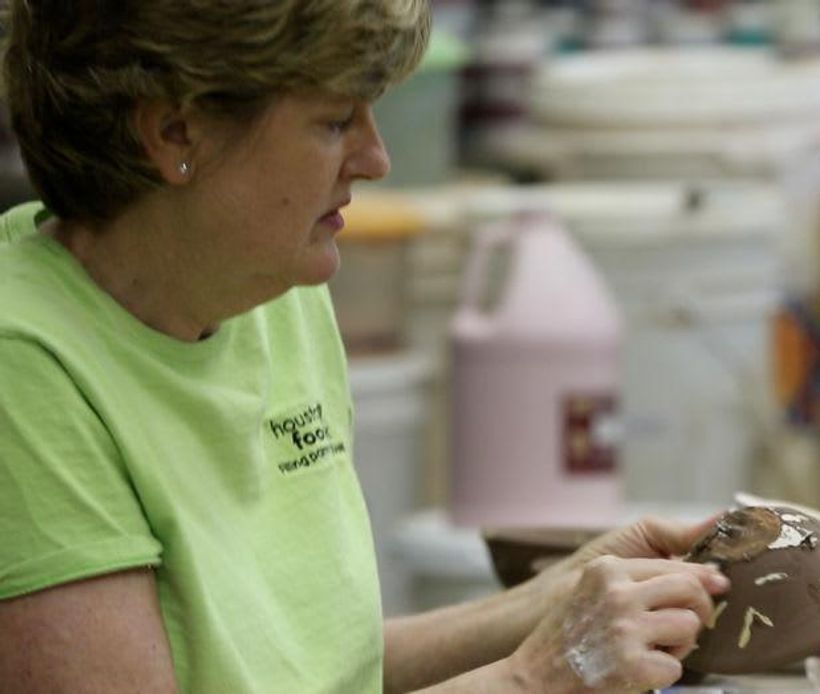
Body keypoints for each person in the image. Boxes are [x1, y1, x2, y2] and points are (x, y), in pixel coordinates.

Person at [0, 1, 730, 692]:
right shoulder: (25, 369)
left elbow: (314, 668)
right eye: (336, 121)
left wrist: (552, 599)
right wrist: (534, 676)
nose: (377, 158)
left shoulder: (272, 291)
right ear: (177, 134)